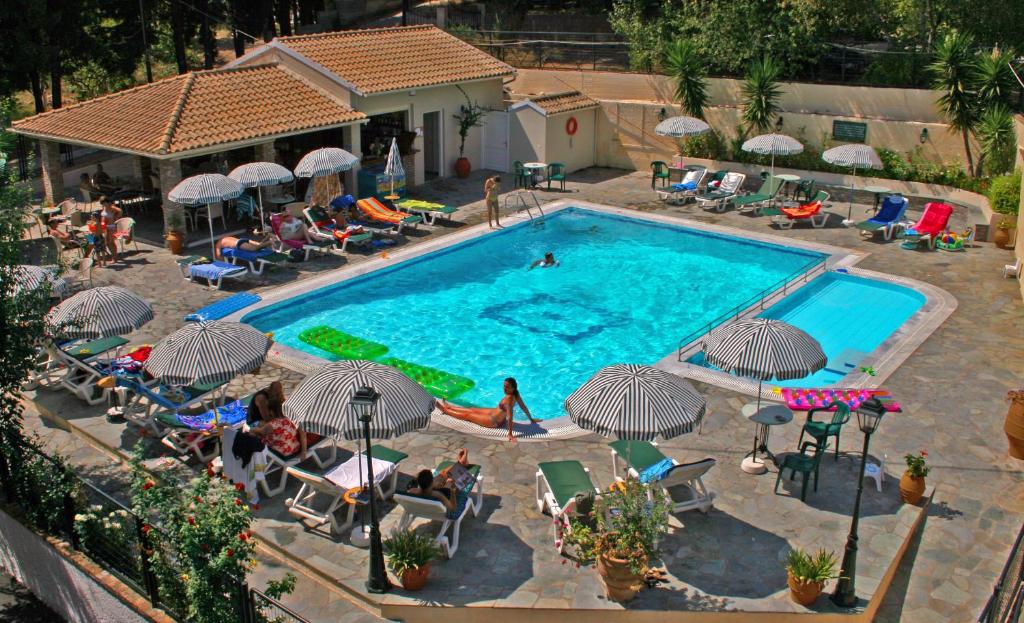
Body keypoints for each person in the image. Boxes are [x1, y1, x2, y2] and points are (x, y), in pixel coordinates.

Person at [436, 378, 537, 441]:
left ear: (513, 388)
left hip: (493, 421)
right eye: (504, 386)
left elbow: (510, 417)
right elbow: (523, 407)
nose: (504, 389)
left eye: (507, 387)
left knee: (468, 416)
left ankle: (445, 410)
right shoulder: (516, 393)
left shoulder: (509, 399)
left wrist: (510, 434)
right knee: (472, 409)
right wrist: (531, 419)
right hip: (494, 412)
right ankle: (450, 407)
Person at [406, 448, 471, 518]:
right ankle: (462, 463)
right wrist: (452, 492)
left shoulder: (413, 491)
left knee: (441, 476)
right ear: (431, 483)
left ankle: (460, 462)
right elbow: (453, 508)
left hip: (430, 492)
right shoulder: (438, 495)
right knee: (450, 480)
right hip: (446, 492)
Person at [249, 397, 320, 461]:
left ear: (271, 411)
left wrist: (250, 429)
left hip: (280, 453)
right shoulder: (292, 418)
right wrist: (303, 452)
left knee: (252, 435)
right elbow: (303, 434)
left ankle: (253, 460)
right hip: (293, 448)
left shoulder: (272, 425)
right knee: (262, 429)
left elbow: (259, 431)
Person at [98, 196, 122, 264]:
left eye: (104, 203)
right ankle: (113, 256)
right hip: (106, 227)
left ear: (107, 202)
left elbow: (120, 211)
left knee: (111, 243)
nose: (103, 204)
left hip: (111, 227)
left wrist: (116, 217)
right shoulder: (104, 207)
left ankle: (114, 258)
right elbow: (103, 216)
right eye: (102, 203)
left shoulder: (112, 207)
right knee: (107, 243)